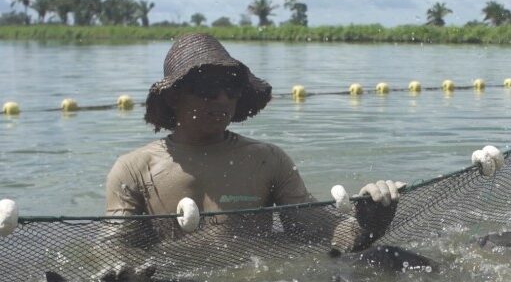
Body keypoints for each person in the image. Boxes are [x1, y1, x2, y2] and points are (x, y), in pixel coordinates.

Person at [104, 33, 402, 253]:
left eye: (231, 88)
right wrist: (120, 271)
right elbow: (112, 248)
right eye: (207, 87)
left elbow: (324, 235)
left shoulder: (267, 160)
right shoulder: (135, 168)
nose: (221, 99)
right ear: (173, 96)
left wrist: (368, 223)